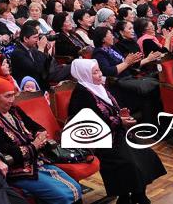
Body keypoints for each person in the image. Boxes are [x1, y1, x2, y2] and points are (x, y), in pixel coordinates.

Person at [67, 59, 166, 204]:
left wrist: (122, 116)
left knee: (145, 154)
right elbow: (91, 122)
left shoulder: (97, 86)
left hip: (117, 132)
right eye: (95, 72)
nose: (100, 74)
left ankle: (138, 194)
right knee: (129, 163)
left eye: (99, 70)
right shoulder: (81, 94)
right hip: (100, 140)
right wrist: (120, 121)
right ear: (84, 74)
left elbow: (111, 109)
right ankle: (126, 196)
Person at [0, 76, 82, 203]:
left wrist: (40, 134)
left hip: (37, 161)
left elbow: (34, 126)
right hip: (18, 170)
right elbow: (8, 151)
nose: (12, 99)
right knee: (64, 196)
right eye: (7, 96)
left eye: (13, 95)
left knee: (76, 188)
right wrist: (35, 145)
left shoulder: (14, 110)